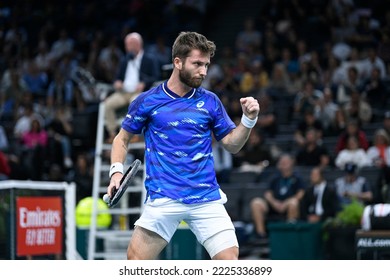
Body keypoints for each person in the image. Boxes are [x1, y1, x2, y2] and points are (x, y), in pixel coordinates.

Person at [106, 31, 260, 260]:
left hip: (206, 197)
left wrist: (248, 120)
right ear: (177, 62)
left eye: (206, 64)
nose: (204, 71)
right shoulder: (147, 100)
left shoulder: (210, 101)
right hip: (163, 197)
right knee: (135, 264)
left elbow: (232, 145)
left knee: (229, 265)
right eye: (197, 64)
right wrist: (116, 173)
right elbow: (122, 139)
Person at [103, 32, 161, 141]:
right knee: (107, 104)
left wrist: (144, 83)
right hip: (123, 92)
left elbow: (156, 77)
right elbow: (117, 78)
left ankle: (134, 134)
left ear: (137, 44)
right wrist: (117, 82)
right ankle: (112, 133)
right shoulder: (125, 60)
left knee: (135, 102)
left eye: (128, 45)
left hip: (138, 92)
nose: (126, 48)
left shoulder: (149, 59)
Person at [249, 154, 306, 239]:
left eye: (286, 162)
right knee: (256, 203)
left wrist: (286, 203)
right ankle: (261, 235)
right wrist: (275, 203)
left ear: (291, 163)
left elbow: (301, 193)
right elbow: (268, 194)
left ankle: (289, 235)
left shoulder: (297, 178)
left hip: (289, 206)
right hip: (274, 206)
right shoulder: (274, 178)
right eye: (282, 162)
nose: (283, 164)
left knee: (293, 203)